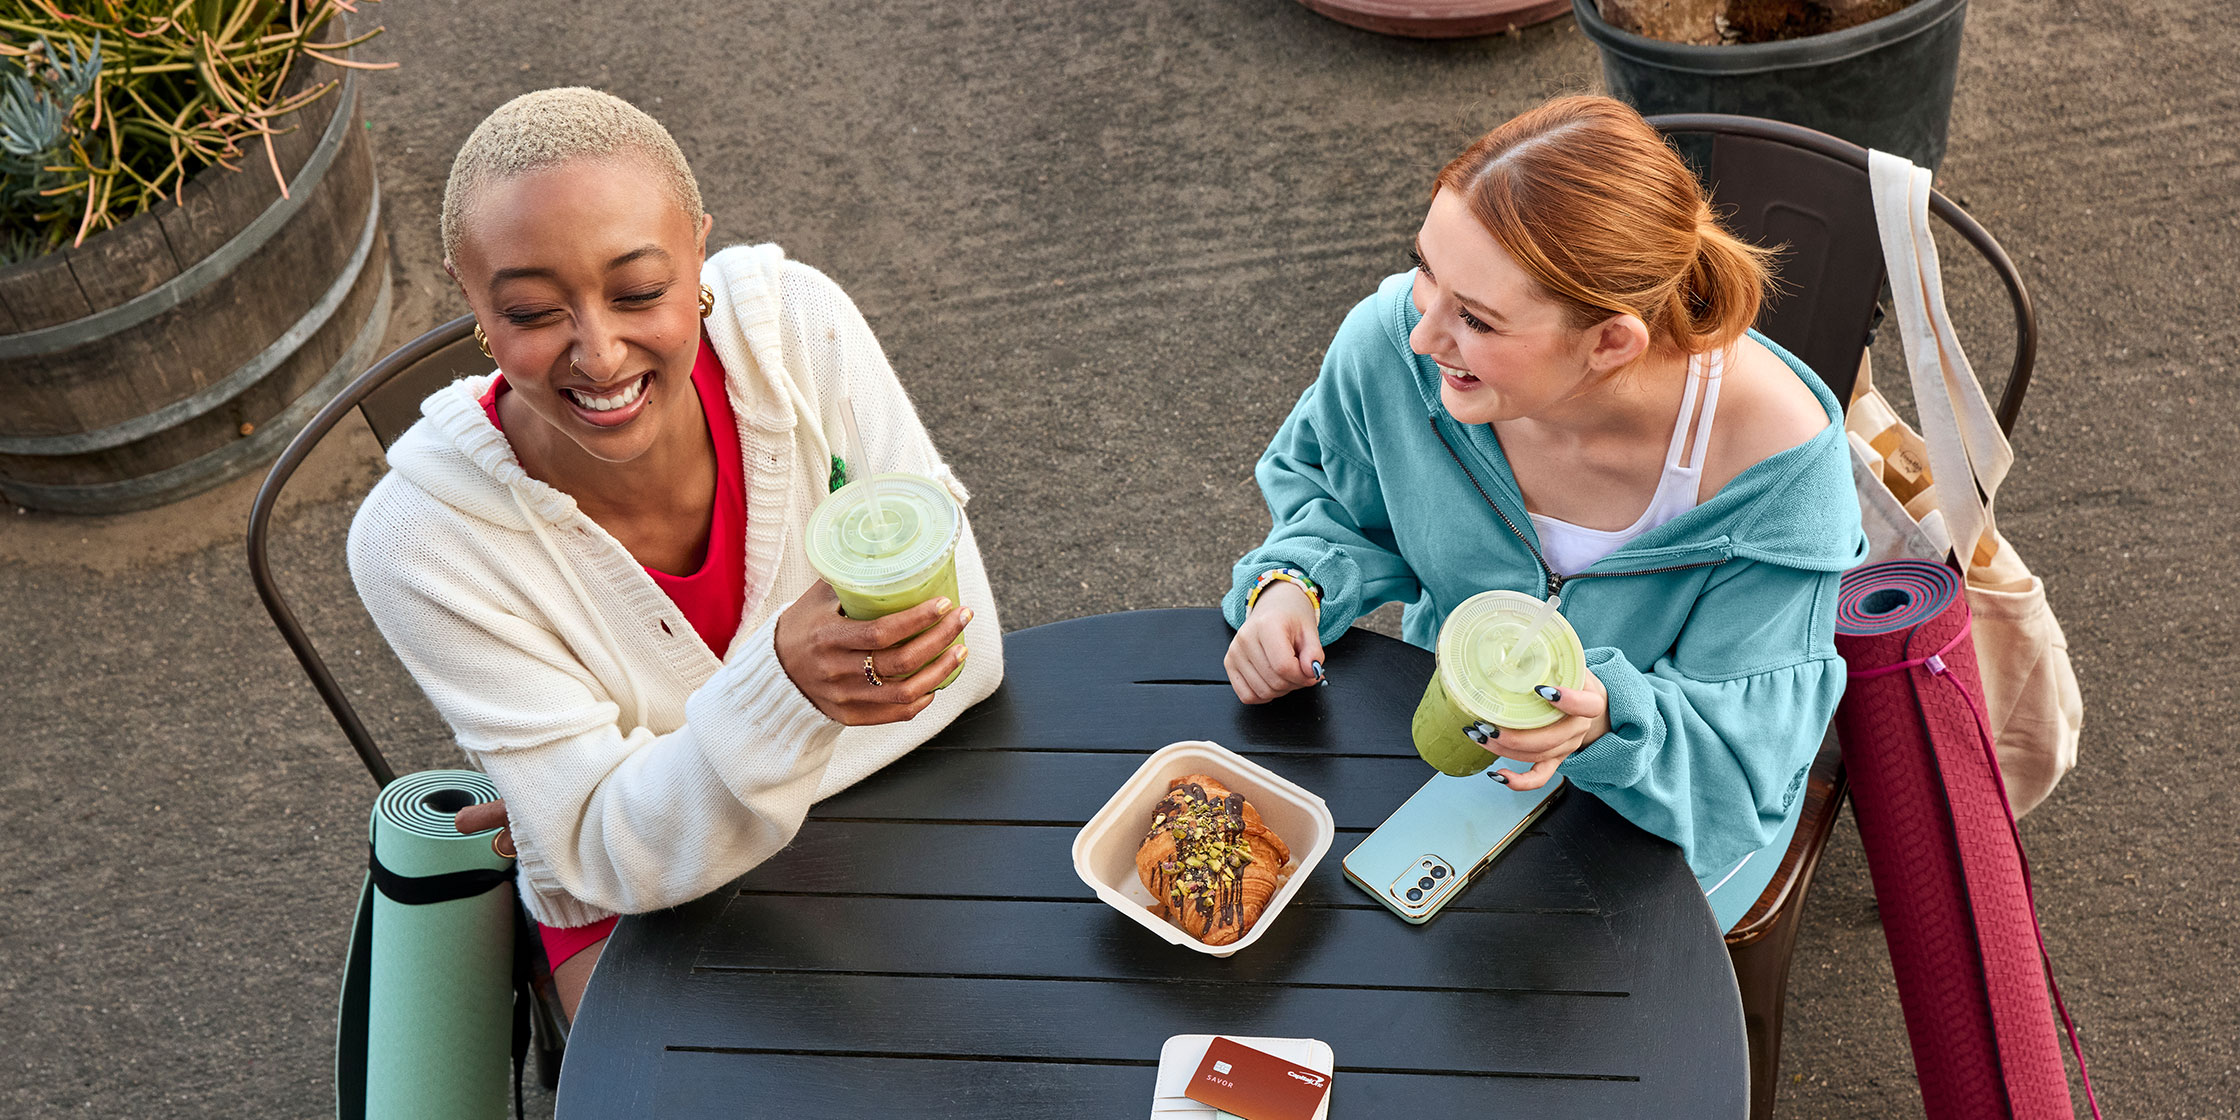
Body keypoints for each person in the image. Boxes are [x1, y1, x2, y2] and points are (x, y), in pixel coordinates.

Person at [348, 88, 1003, 1017]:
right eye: (533, 311)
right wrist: (785, 694)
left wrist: (632, 794)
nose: (601, 353)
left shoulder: (799, 334)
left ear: (698, 249)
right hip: (639, 918)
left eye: (641, 292)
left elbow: (965, 667)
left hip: (845, 815)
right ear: (472, 298)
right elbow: (611, 870)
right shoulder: (416, 543)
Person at [1220, 95, 1866, 931]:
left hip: (1653, 834)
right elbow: (1336, 501)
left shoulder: (1778, 478)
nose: (1423, 336)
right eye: (1426, 270)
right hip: (1447, 757)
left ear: (1610, 343)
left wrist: (1608, 725)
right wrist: (1293, 582)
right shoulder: (1392, 342)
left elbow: (1739, 773)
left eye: (1477, 319)